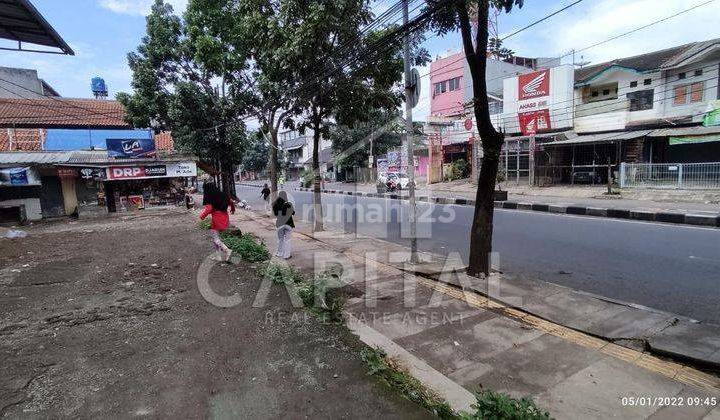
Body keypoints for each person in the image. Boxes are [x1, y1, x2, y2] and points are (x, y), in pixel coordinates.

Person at [199, 183, 233, 262]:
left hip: (217, 219)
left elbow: (209, 209)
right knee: (216, 238)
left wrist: (202, 216)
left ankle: (227, 250)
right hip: (225, 218)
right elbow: (231, 201)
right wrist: (232, 209)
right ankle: (218, 256)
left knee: (216, 239)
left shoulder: (210, 197)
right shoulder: (222, 195)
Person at [272, 191, 294, 259]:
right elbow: (293, 213)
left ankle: (279, 253)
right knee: (288, 240)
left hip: (280, 224)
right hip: (288, 224)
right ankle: (287, 255)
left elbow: (275, 214)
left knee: (280, 239)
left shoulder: (275, 204)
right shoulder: (288, 204)